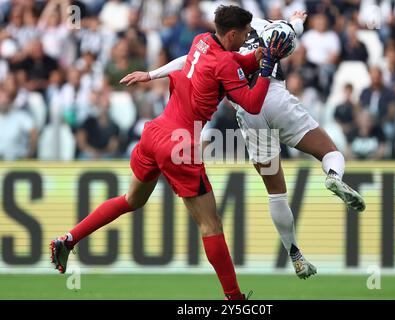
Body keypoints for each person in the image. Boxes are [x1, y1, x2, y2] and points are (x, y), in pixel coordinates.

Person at [51, 5, 290, 300]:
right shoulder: (227, 63)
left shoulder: (201, 40)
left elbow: (225, 63)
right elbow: (252, 103)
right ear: (232, 33)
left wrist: (256, 57)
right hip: (180, 143)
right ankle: (235, 299)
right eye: (245, 34)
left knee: (131, 200)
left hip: (155, 132)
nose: (247, 38)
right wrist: (266, 69)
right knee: (210, 224)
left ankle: (69, 238)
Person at [124, 11, 366, 280]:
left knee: (276, 193)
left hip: (249, 115)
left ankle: (294, 252)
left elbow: (188, 61)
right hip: (273, 97)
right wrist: (297, 20)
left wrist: (152, 73)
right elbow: (291, 29)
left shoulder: (220, 43)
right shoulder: (271, 28)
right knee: (330, 152)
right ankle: (333, 176)